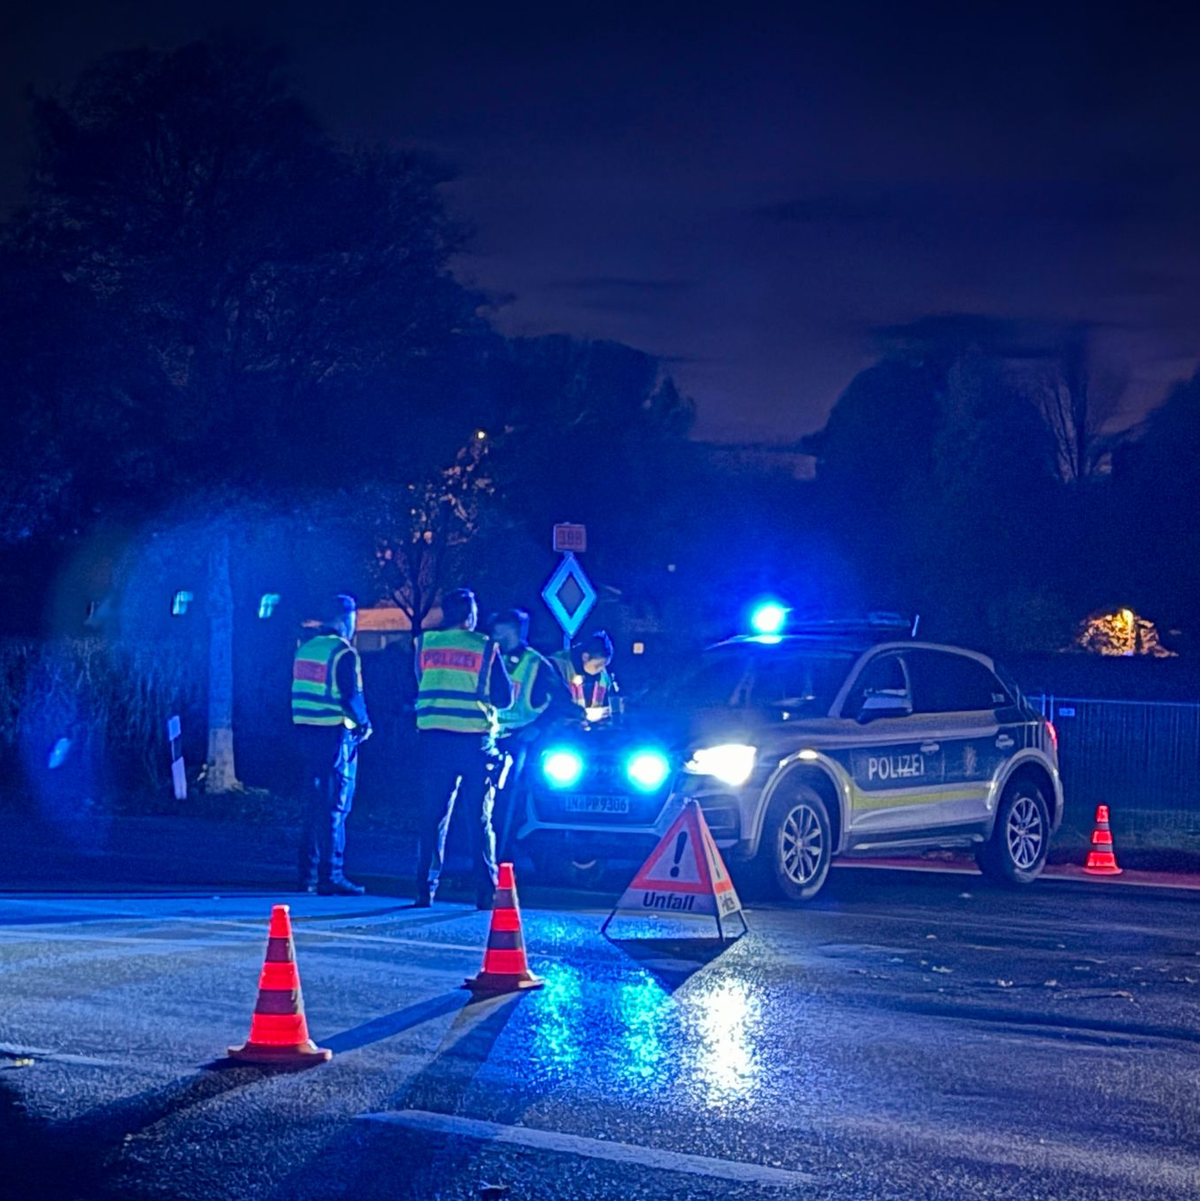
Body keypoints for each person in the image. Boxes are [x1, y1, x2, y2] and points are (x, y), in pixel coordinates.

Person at [413, 587, 512, 908]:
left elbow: (418, 683)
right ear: (470, 615)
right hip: (474, 743)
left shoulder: (425, 644)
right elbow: (504, 698)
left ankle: (424, 890)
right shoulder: (484, 647)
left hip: (433, 741)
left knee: (433, 816)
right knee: (479, 818)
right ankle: (486, 892)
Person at [292, 594, 372, 896]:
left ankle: (308, 874)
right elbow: (350, 696)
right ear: (344, 619)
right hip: (335, 736)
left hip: (306, 734)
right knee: (336, 806)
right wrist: (364, 724)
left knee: (313, 805)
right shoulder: (343, 652)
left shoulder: (306, 649)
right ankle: (332, 875)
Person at [490, 608, 575, 857]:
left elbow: (563, 702)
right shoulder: (491, 657)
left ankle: (504, 857)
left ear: (513, 631)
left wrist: (536, 728)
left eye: (499, 629)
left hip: (520, 741)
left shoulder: (536, 664)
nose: (493, 634)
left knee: (510, 802)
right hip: (490, 738)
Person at [553, 629, 617, 720]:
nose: (601, 670)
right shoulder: (557, 667)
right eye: (598, 665)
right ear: (585, 657)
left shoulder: (603, 676)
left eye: (604, 666)